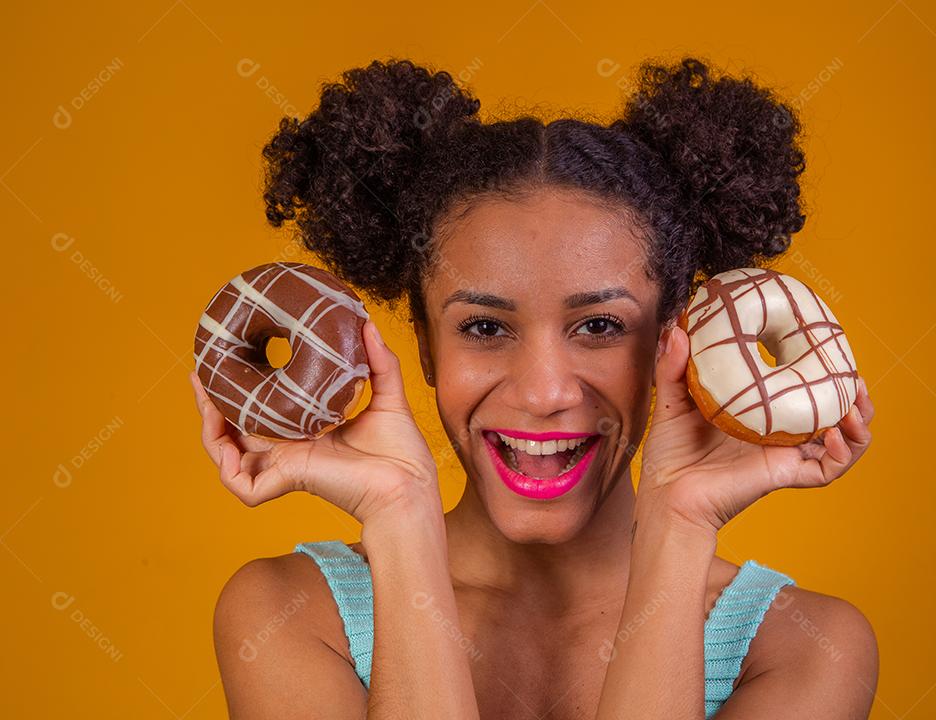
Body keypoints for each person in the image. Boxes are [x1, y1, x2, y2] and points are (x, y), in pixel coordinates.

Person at [190, 56, 878, 719]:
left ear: (675, 345)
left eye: (600, 325)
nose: (545, 391)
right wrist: (400, 518)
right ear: (426, 346)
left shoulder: (804, 651)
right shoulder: (290, 615)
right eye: (485, 328)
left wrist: (682, 521)